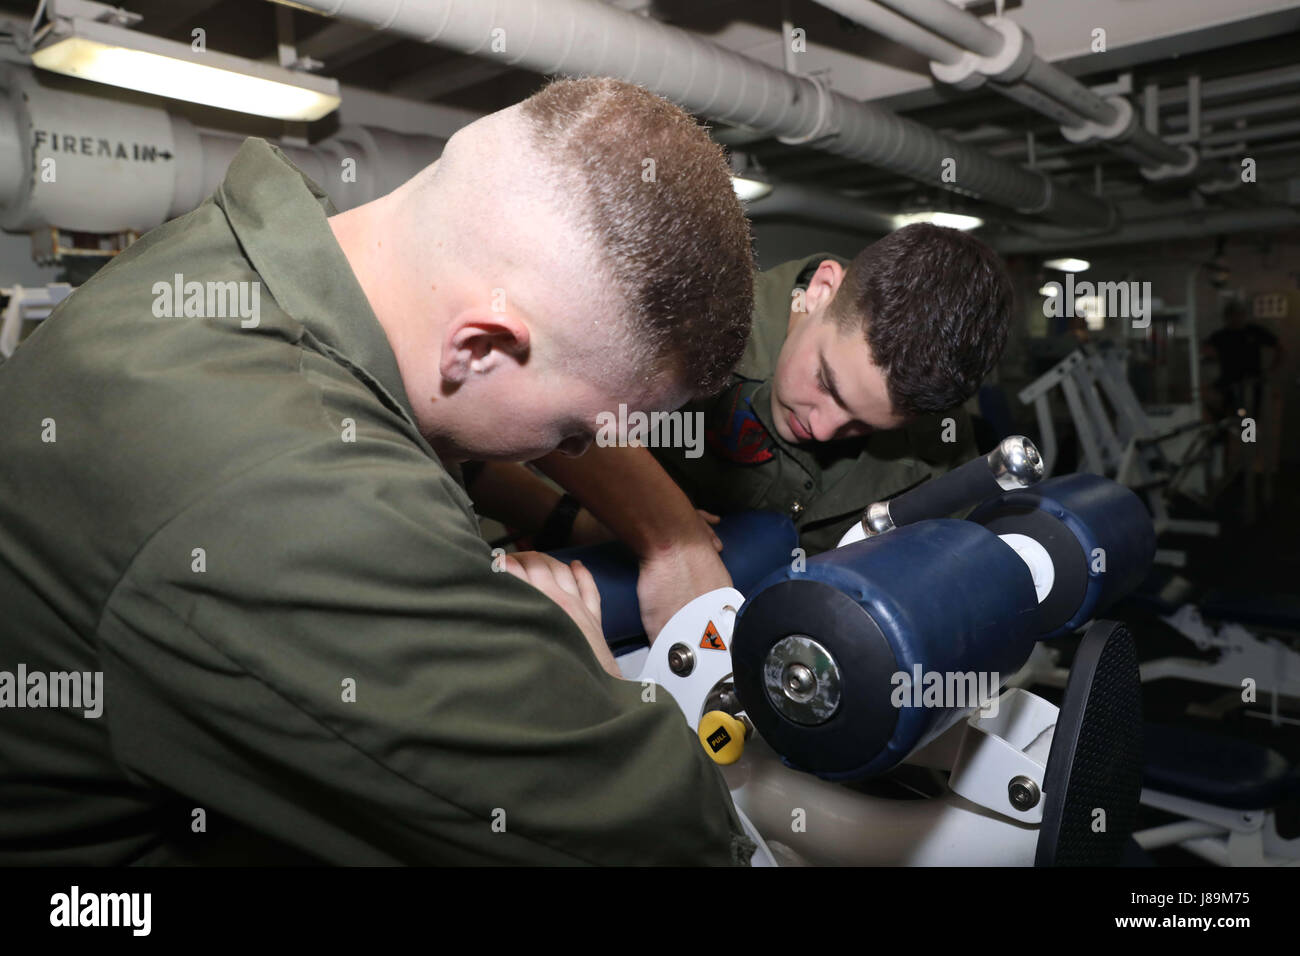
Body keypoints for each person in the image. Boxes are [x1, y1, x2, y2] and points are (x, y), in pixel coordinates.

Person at [0, 78, 761, 865]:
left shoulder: (258, 246)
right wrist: (591, 681)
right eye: (577, 430)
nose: (578, 457)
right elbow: (664, 845)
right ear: (479, 348)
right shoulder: (307, 501)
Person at [470, 225, 1014, 637]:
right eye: (827, 383)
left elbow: (933, 587)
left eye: (862, 426)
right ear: (822, 289)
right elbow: (517, 395)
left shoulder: (937, 441)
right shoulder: (686, 321)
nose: (824, 430)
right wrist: (664, 538)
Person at [1202, 300, 1285, 416]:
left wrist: (1272, 370)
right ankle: (1230, 429)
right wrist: (1215, 356)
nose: (1236, 319)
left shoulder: (1254, 331)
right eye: (1232, 315)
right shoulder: (1221, 335)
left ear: (1243, 315)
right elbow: (1205, 350)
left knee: (1251, 418)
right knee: (1231, 415)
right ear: (1226, 318)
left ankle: (1249, 431)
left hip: (1253, 382)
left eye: (1238, 315)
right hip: (1229, 383)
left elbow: (1279, 346)